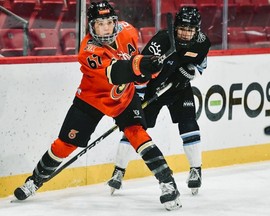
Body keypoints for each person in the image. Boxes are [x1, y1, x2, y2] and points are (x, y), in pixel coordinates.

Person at [14, 1, 182, 211]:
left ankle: (168, 183)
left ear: (116, 22)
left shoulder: (129, 31)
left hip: (123, 99)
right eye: (100, 24)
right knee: (64, 144)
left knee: (136, 133)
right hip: (90, 100)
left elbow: (135, 73)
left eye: (109, 23)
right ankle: (34, 181)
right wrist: (140, 65)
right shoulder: (87, 50)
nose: (106, 28)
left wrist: (150, 69)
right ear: (91, 27)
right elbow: (116, 73)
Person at [107, 6, 211, 196]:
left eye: (190, 30)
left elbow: (200, 66)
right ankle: (118, 171)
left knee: (188, 123)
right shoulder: (162, 41)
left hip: (179, 90)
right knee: (135, 128)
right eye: (182, 28)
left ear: (197, 30)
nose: (186, 34)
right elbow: (140, 71)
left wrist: (191, 73)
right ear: (175, 27)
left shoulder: (203, 43)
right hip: (152, 90)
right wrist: (137, 98)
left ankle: (196, 170)